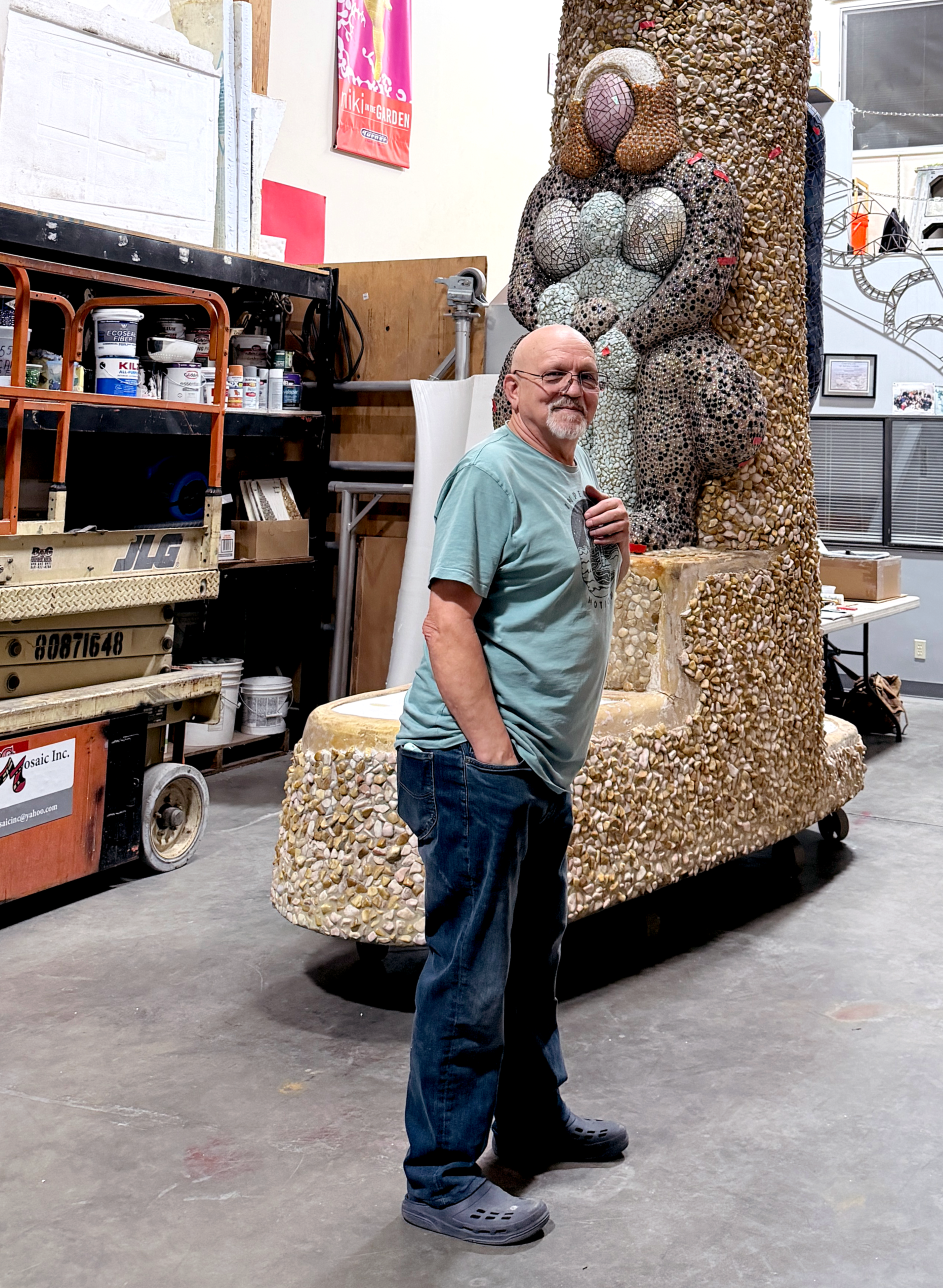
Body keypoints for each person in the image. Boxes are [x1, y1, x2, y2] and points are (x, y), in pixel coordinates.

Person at [395, 322, 632, 1245]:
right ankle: (441, 1179)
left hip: (538, 764)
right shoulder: (489, 475)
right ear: (512, 389)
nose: (573, 389)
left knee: (531, 957)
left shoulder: (572, 470)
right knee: (470, 973)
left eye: (587, 377)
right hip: (475, 764)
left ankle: (531, 1120)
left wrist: (619, 539)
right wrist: (493, 753)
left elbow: (560, 593)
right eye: (553, 375)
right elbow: (446, 622)